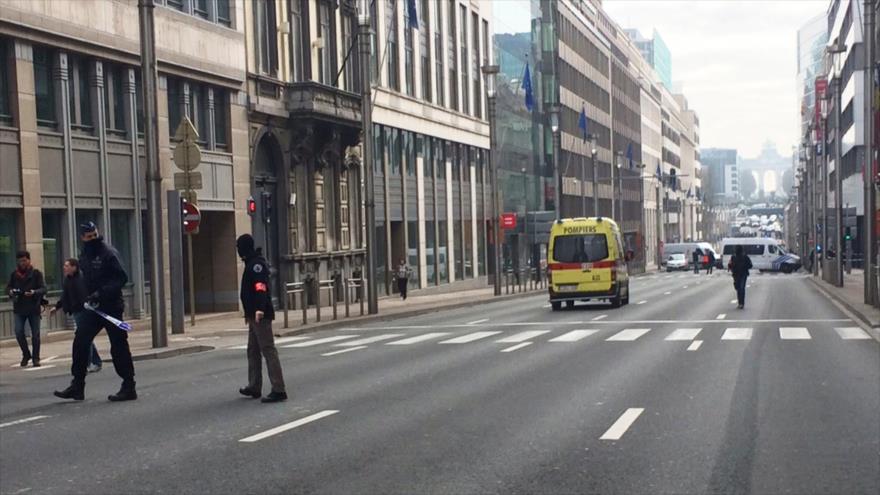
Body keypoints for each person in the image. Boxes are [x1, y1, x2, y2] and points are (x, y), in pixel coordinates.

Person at [54, 222, 135, 402]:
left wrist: (101, 293)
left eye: (94, 235)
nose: (92, 239)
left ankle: (129, 385)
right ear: (82, 238)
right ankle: (77, 385)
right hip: (93, 308)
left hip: (111, 307)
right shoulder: (85, 256)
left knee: (119, 346)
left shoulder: (108, 253)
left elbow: (121, 277)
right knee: (80, 342)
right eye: (88, 236)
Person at [236, 234, 287, 403]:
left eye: (239, 247)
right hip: (253, 315)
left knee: (268, 350)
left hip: (260, 315)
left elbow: (260, 287)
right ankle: (254, 385)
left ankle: (279, 389)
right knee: (253, 350)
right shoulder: (251, 263)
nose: (238, 251)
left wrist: (259, 309)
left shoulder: (256, 265)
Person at [50, 258, 102, 373]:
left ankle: (88, 363)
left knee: (84, 338)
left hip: (85, 311)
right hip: (76, 311)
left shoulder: (81, 279)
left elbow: (86, 294)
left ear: (74, 267)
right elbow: (65, 296)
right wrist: (57, 307)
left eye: (67, 266)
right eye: (64, 265)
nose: (64, 268)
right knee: (86, 338)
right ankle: (96, 361)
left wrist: (89, 305)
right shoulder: (68, 280)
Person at [6, 251, 47, 367]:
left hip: (33, 307)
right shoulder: (14, 274)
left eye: (24, 260)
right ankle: (26, 354)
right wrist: (10, 291)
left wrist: (34, 292)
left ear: (29, 260)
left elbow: (44, 288)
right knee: (19, 332)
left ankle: (36, 358)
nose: (22, 263)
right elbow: (8, 287)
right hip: (19, 307)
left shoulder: (36, 273)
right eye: (20, 261)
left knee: (35, 334)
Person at [728, 245, 753, 309]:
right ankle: (740, 303)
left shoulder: (744, 257)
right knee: (739, 288)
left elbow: (750, 265)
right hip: (737, 274)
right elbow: (730, 265)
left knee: (741, 288)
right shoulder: (733, 257)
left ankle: (741, 303)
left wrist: (744, 267)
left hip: (742, 274)